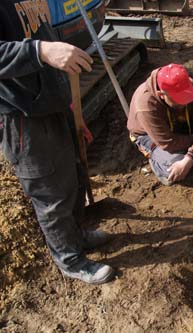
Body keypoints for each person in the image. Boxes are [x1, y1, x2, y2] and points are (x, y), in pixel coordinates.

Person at [0, 1, 115, 284]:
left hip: (50, 98)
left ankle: (76, 236)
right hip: (21, 113)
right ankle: (69, 259)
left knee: (71, 174)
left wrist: (70, 103)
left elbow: (46, 38)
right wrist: (40, 51)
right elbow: (41, 49)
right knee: (50, 191)